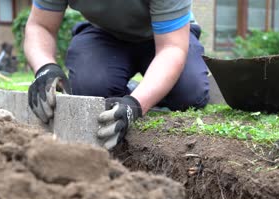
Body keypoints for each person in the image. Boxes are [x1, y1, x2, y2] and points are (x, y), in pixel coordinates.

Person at [26, 0, 210, 149]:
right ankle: (136, 89)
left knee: (189, 92)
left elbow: (171, 48)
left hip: (169, 36)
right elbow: (40, 25)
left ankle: (143, 92)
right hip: (105, 33)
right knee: (91, 88)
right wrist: (45, 67)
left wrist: (135, 104)